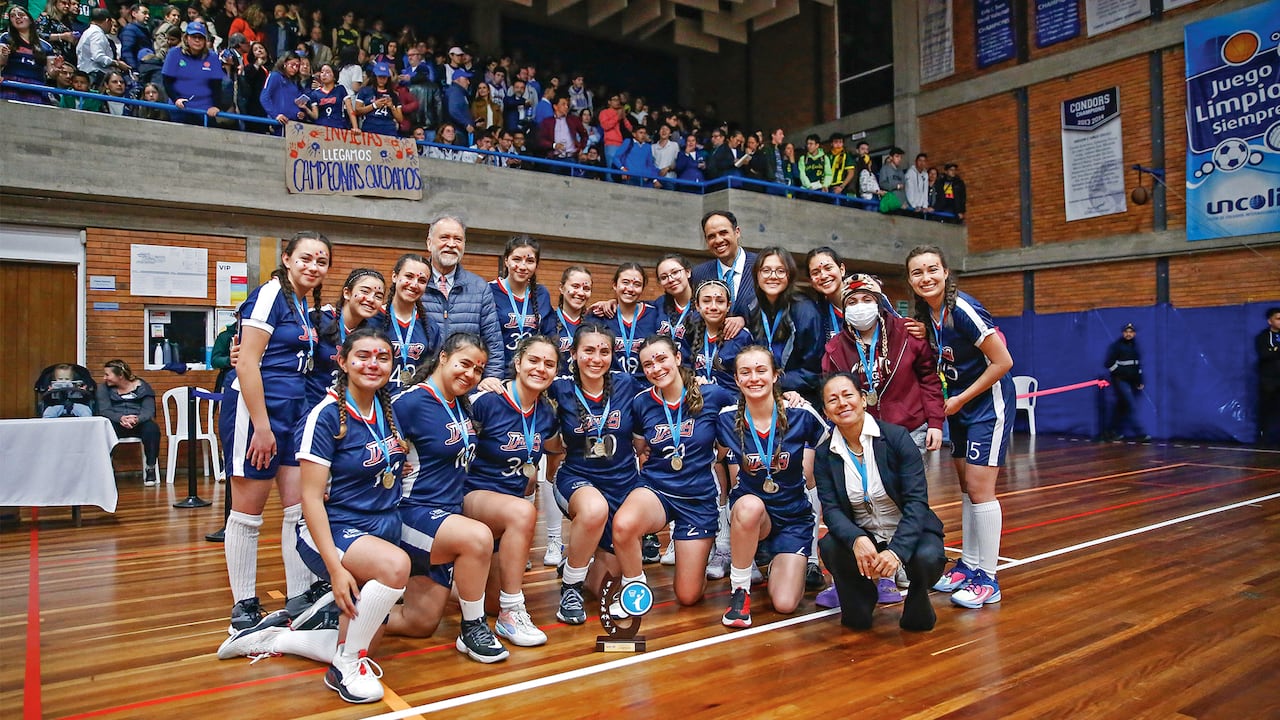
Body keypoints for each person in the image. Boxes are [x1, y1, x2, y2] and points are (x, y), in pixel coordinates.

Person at [219, 231, 331, 634]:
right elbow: (246, 363)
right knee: (247, 514)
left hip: (293, 412)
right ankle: (243, 605)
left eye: (321, 261)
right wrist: (262, 426)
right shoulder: (269, 294)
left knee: (297, 508)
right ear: (286, 259)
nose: (313, 266)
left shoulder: (303, 304)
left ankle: (298, 596)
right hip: (255, 414)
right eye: (305, 258)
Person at [290, 328, 408, 704]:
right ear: (343, 362)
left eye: (382, 358)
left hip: (380, 524)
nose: (373, 364)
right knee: (395, 566)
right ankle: (343, 667)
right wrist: (336, 570)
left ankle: (277, 637)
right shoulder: (324, 417)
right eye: (363, 356)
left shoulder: (387, 409)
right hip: (334, 527)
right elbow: (310, 499)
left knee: (366, 640)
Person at [389, 332, 510, 664]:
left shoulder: (460, 403)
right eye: (464, 364)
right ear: (443, 357)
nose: (470, 374)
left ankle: (342, 614)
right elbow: (367, 440)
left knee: (419, 623)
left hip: (445, 516)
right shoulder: (410, 402)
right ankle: (473, 627)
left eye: (478, 369)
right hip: (412, 512)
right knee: (478, 537)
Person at [904, 244, 1014, 610]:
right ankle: (969, 564)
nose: (926, 277)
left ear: (946, 272)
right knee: (968, 488)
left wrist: (962, 399)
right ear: (910, 280)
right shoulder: (928, 315)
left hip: (987, 406)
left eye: (932, 269)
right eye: (917, 272)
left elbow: (1003, 362)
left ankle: (989, 578)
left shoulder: (963, 310)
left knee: (982, 489)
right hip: (961, 407)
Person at [814, 372, 945, 632]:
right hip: (865, 533)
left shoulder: (897, 438)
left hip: (906, 530)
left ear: (863, 400)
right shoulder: (823, 454)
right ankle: (861, 597)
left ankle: (918, 600)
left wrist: (896, 551)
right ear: (826, 412)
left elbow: (916, 502)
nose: (842, 403)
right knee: (830, 546)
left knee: (929, 557)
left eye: (848, 395)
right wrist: (856, 538)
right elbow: (831, 510)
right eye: (833, 400)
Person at [611, 335, 730, 609]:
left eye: (662, 359)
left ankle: (702, 551)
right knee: (624, 524)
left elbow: (748, 409)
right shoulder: (641, 402)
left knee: (688, 596)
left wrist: (790, 396)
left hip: (697, 499)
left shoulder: (713, 395)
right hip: (657, 489)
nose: (656, 368)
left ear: (677, 358)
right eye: (648, 364)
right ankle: (633, 589)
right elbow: (641, 448)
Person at [716, 346, 828, 628]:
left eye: (761, 370)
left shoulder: (801, 413)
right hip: (754, 516)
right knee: (749, 505)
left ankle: (773, 559)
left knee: (785, 604)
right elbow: (710, 457)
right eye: (745, 372)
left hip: (792, 518)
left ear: (776, 375)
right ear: (737, 379)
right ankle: (740, 590)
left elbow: (831, 451)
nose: (754, 378)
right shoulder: (726, 418)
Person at [462, 335, 560, 648]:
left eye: (549, 364)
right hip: (472, 497)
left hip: (507, 511)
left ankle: (444, 583)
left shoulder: (546, 413)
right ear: (517, 363)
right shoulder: (487, 401)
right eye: (534, 360)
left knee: (489, 602)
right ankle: (511, 613)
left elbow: (555, 450)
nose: (540, 368)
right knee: (524, 511)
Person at [544, 323, 638, 624]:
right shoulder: (559, 388)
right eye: (588, 351)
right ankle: (570, 588)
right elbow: (522, 390)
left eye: (604, 351)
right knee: (594, 509)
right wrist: (494, 384)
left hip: (622, 484)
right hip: (577, 479)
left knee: (603, 588)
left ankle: (577, 561)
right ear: (573, 353)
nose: (596, 359)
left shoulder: (627, 384)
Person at [419, 215, 506, 384]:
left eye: (458, 239)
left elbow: (493, 342)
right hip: (423, 385)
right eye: (444, 237)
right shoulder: (415, 285)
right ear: (429, 243)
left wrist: (492, 379)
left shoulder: (479, 288)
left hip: (466, 385)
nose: (451, 244)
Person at [307, 268, 387, 408]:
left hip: (348, 410)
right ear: (347, 293)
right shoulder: (317, 317)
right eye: (365, 291)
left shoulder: (372, 333)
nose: (371, 299)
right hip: (311, 407)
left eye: (378, 296)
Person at [489, 235, 554, 377]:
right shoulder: (489, 291)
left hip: (532, 375)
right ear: (506, 260)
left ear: (536, 265)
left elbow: (549, 336)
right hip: (496, 375)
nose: (523, 266)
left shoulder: (542, 294)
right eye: (517, 259)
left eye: (530, 261)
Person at [377, 253, 441, 395]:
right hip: (376, 401)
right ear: (395, 276)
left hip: (413, 403)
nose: (414, 284)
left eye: (422, 280)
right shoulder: (372, 319)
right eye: (409, 276)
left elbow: (434, 373)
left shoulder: (430, 327)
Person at [690, 211, 757, 333]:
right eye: (711, 236)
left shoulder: (760, 266)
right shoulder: (699, 273)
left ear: (737, 232)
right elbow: (694, 313)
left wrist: (745, 319)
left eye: (723, 233)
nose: (718, 240)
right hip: (714, 343)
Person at [98, 359, 160, 485]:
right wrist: (121, 418)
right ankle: (106, 469)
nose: (104, 378)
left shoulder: (143, 387)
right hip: (116, 423)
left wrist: (137, 419)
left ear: (120, 375)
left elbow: (149, 410)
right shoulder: (103, 389)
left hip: (139, 423)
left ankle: (150, 467)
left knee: (152, 429)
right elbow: (104, 410)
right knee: (102, 430)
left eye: (107, 375)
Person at [603, 262, 660, 383]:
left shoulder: (655, 314)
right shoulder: (602, 315)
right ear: (615, 285)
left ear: (642, 288)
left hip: (646, 385)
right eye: (625, 282)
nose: (630, 288)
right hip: (612, 386)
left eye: (637, 284)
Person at [161, 21, 224, 124]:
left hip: (204, 108)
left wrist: (216, 106)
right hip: (180, 107)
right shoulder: (174, 54)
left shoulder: (212, 57)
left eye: (200, 37)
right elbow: (167, 81)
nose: (197, 40)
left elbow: (217, 85)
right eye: (194, 37)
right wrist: (176, 99)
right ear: (186, 38)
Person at [1, 5, 59, 105]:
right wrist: (4, 54)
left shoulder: (46, 46)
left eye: (21, 14)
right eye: (13, 16)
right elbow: (1, 62)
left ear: (30, 20)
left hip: (35, 87)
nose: (17, 17)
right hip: (10, 84)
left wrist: (57, 69)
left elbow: (52, 74)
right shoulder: (6, 38)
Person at [540, 265, 593, 374]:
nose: (581, 293)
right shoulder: (547, 320)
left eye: (586, 289)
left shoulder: (594, 323)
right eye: (575, 286)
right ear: (561, 288)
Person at [1102, 322, 1150, 442]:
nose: (1128, 334)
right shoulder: (1117, 346)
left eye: (1131, 332)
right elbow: (1108, 363)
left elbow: (1136, 366)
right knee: (1131, 405)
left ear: (1134, 333)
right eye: (1126, 332)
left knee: (1121, 407)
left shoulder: (1135, 347)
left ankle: (1110, 432)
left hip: (1131, 381)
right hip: (1120, 381)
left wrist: (1139, 381)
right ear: (1123, 333)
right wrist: (1121, 374)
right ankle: (1141, 434)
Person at [805, 247, 848, 343]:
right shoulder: (816, 314)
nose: (823, 276)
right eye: (815, 273)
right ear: (811, 282)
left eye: (828, 268)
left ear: (842, 270)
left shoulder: (869, 299)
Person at [352, 61, 401, 136]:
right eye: (379, 77)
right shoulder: (365, 91)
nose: (382, 79)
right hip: (370, 127)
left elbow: (400, 119)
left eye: (384, 77)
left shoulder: (394, 95)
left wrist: (391, 107)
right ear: (375, 76)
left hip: (388, 129)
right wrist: (374, 105)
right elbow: (357, 110)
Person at [305, 62, 354, 129]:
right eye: (322, 72)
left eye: (327, 72)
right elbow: (315, 116)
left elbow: (350, 110)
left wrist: (355, 127)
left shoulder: (340, 89)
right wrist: (305, 108)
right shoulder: (315, 93)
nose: (324, 74)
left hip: (338, 127)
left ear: (334, 76)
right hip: (320, 127)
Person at [1259, 308, 1280, 446]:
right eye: (1278, 319)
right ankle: (1264, 439)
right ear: (1270, 321)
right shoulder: (1263, 337)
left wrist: (1275, 350)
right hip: (1269, 381)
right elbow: (1264, 354)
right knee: (1267, 410)